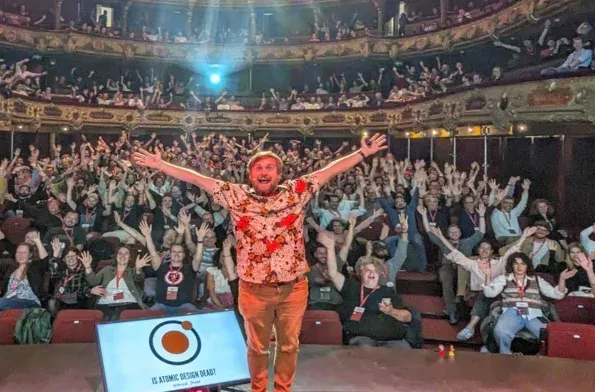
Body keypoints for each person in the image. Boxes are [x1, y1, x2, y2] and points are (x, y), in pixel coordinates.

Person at [132, 133, 388, 392]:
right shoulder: (236, 195)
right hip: (254, 289)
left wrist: (362, 153)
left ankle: (282, 389)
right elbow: (197, 179)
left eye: (269, 167)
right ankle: (258, 389)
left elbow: (329, 170)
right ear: (250, 175)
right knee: (257, 346)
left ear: (279, 174)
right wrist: (160, 165)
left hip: (293, 287)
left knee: (289, 345)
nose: (264, 171)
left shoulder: (295, 191)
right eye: (258, 168)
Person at [318, 230, 413, 347]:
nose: (372, 273)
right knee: (366, 348)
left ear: (379, 274)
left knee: (404, 348)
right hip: (363, 338)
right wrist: (330, 247)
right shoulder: (351, 288)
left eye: (375, 271)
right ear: (360, 273)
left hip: (392, 339)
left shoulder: (388, 291)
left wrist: (391, 311)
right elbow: (333, 273)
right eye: (367, 270)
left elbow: (407, 317)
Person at [483, 252, 575, 353]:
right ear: (511, 265)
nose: (519, 267)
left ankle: (545, 358)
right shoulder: (504, 278)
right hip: (512, 311)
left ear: (528, 265)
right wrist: (487, 276)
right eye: (516, 263)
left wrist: (562, 279)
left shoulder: (537, 279)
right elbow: (489, 293)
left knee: (551, 334)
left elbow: (557, 295)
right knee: (500, 331)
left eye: (523, 264)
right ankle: (505, 355)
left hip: (534, 313)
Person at [0, 221, 49, 318]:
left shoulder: (35, 266)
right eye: (18, 253)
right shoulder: (11, 266)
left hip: (29, 301)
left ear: (30, 255)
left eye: (24, 253)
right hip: (11, 300)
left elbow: (45, 261)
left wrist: (38, 241)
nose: (20, 255)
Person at [141, 219, 207, 315]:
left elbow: (198, 258)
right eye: (174, 252)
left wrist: (200, 240)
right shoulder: (161, 266)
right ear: (170, 254)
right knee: (147, 316)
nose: (176, 254)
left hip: (184, 305)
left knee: (196, 315)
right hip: (161, 305)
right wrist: (147, 236)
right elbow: (153, 253)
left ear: (184, 255)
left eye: (179, 252)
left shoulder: (190, 268)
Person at [86, 245, 152, 321]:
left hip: (128, 304)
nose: (122, 256)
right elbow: (93, 282)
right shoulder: (106, 270)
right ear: (116, 256)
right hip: (105, 304)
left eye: (126, 253)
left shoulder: (132, 271)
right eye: (120, 253)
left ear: (130, 257)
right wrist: (88, 267)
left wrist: (138, 269)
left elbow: (139, 278)